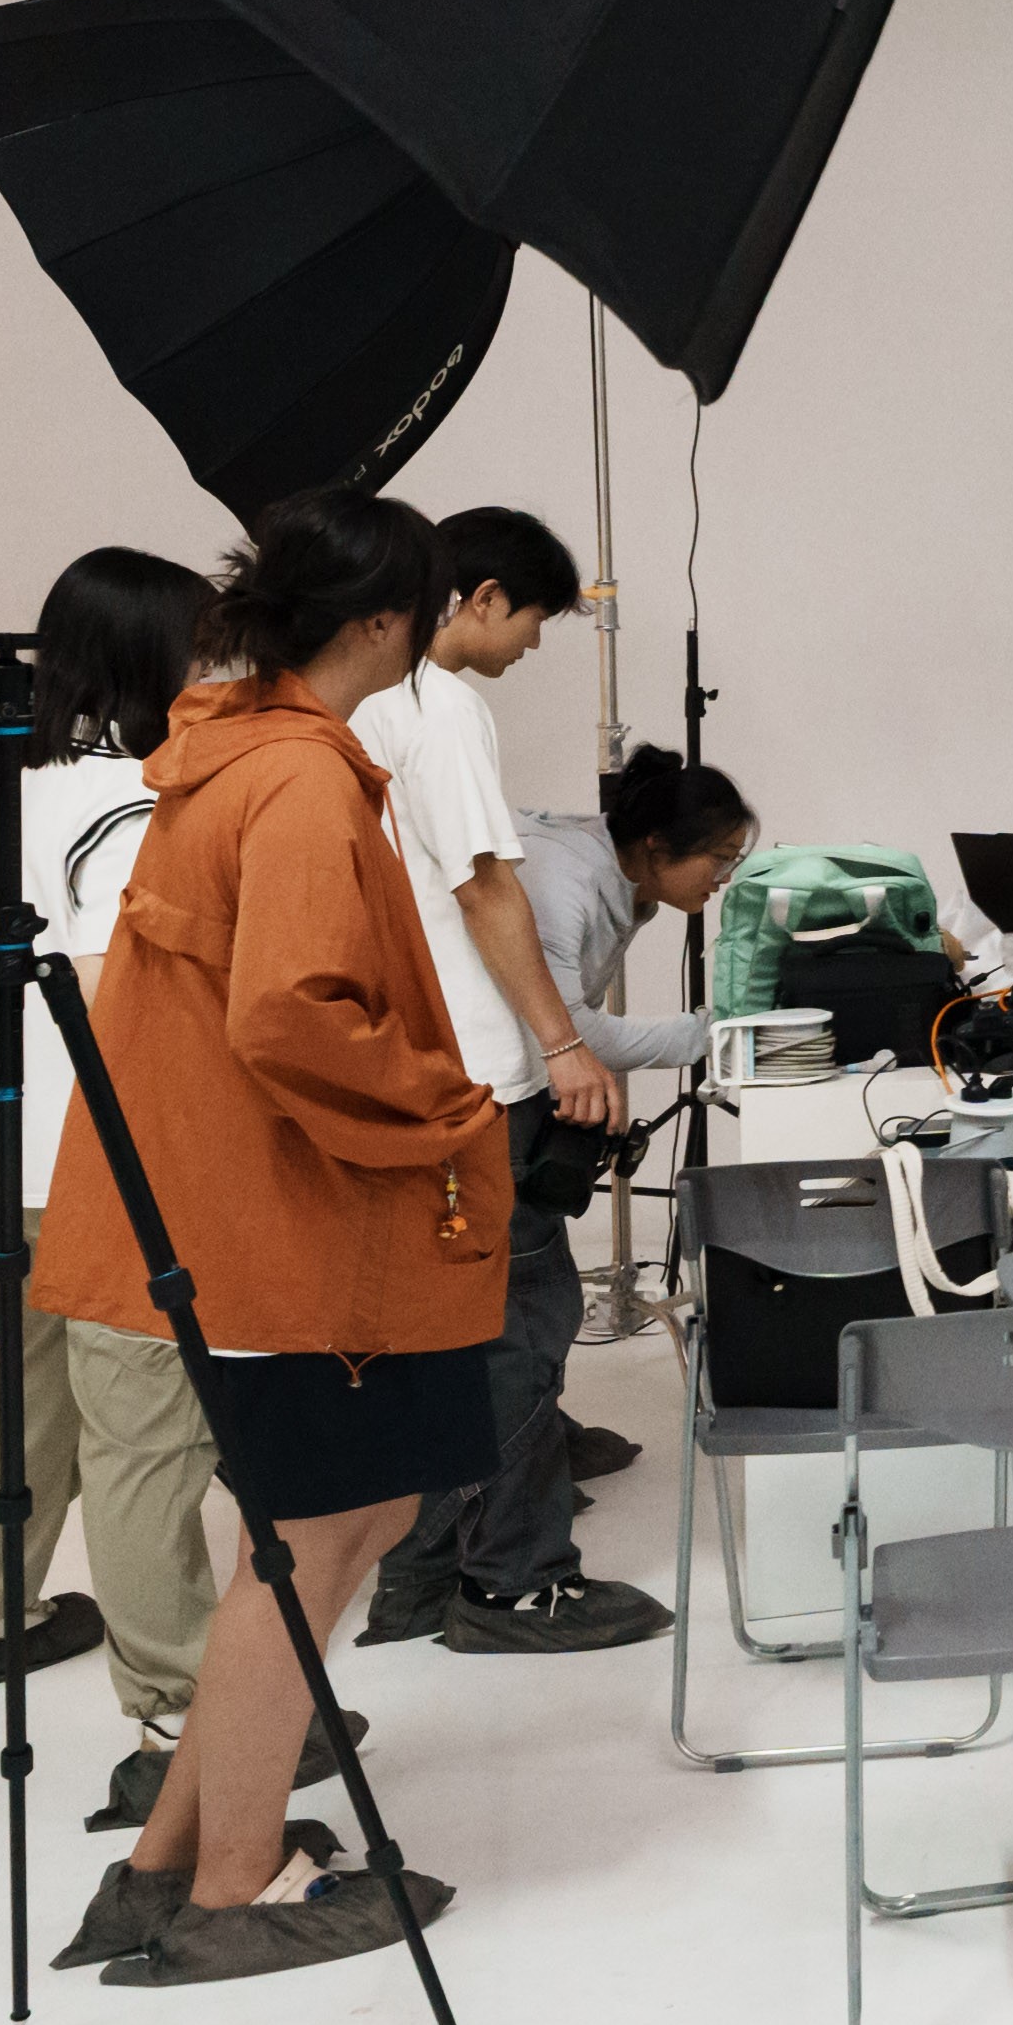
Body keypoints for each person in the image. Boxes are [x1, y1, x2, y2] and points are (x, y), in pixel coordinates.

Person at [28, 491, 502, 1986]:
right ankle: (237, 1883)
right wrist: (443, 1104)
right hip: (299, 1230)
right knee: (312, 1544)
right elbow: (293, 1011)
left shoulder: (229, 755)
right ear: (386, 621)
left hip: (244, 1214)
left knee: (322, 1533)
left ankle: (165, 1863)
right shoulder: (294, 779)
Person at [0, 544, 224, 1766]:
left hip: (21, 1157)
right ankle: (183, 1708)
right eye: (202, 645)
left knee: (28, 1395)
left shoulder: (29, 785)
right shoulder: (133, 804)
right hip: (109, 1161)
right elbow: (121, 998)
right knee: (146, 1431)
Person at [357, 511, 658, 1656]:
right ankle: (518, 1583)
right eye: (532, 617)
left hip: (412, 1067)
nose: (532, 643)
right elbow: (486, 890)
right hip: (482, 1073)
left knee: (445, 1333)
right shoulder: (440, 711)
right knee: (522, 1324)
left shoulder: (354, 706)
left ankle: (419, 1576)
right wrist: (565, 1045)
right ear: (481, 598)